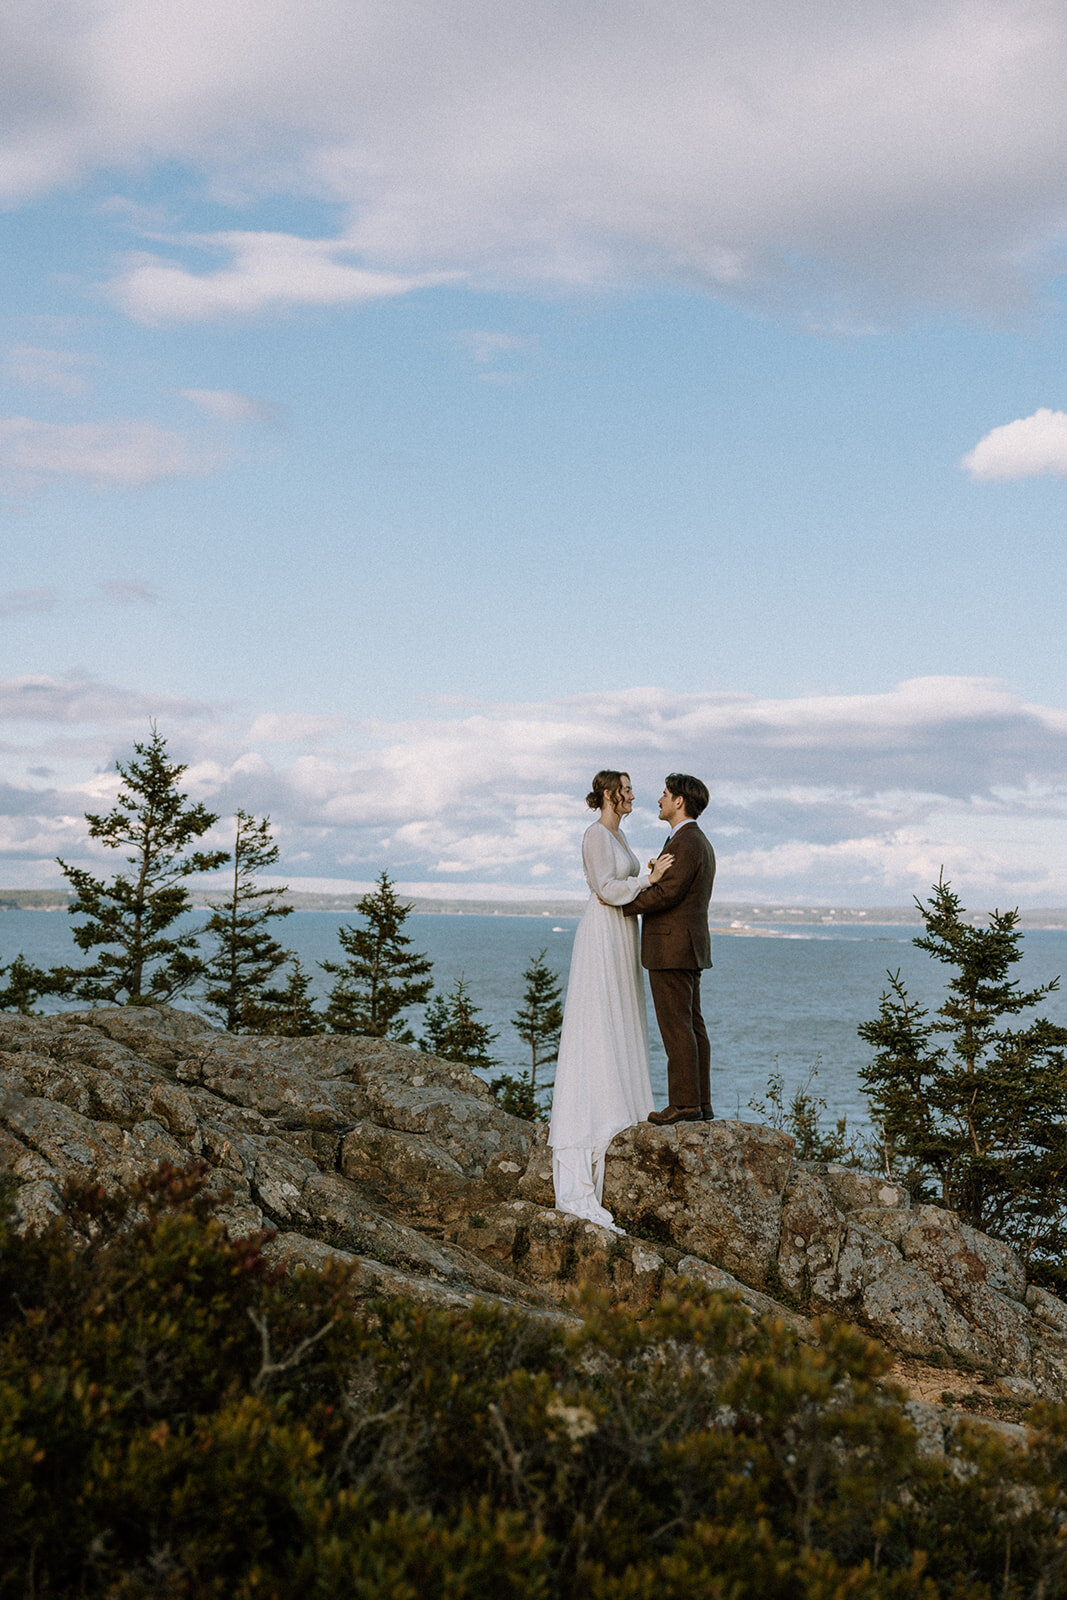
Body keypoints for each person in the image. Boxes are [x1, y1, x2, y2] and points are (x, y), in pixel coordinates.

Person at [549, 770, 673, 1229]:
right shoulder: (595, 835)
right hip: (604, 931)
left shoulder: (618, 835)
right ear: (608, 794)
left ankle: (621, 1096)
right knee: (599, 1018)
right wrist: (649, 879)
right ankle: (595, 1111)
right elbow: (606, 890)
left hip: (623, 932)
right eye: (626, 789)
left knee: (621, 1016)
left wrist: (645, 879)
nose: (634, 795)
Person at [621, 773, 716, 1125]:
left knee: (677, 1027)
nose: (659, 799)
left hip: (672, 948)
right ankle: (700, 1103)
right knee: (691, 1026)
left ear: (679, 801)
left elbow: (667, 892)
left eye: (664, 794)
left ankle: (685, 1104)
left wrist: (621, 905)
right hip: (687, 947)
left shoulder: (686, 842)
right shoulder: (695, 840)